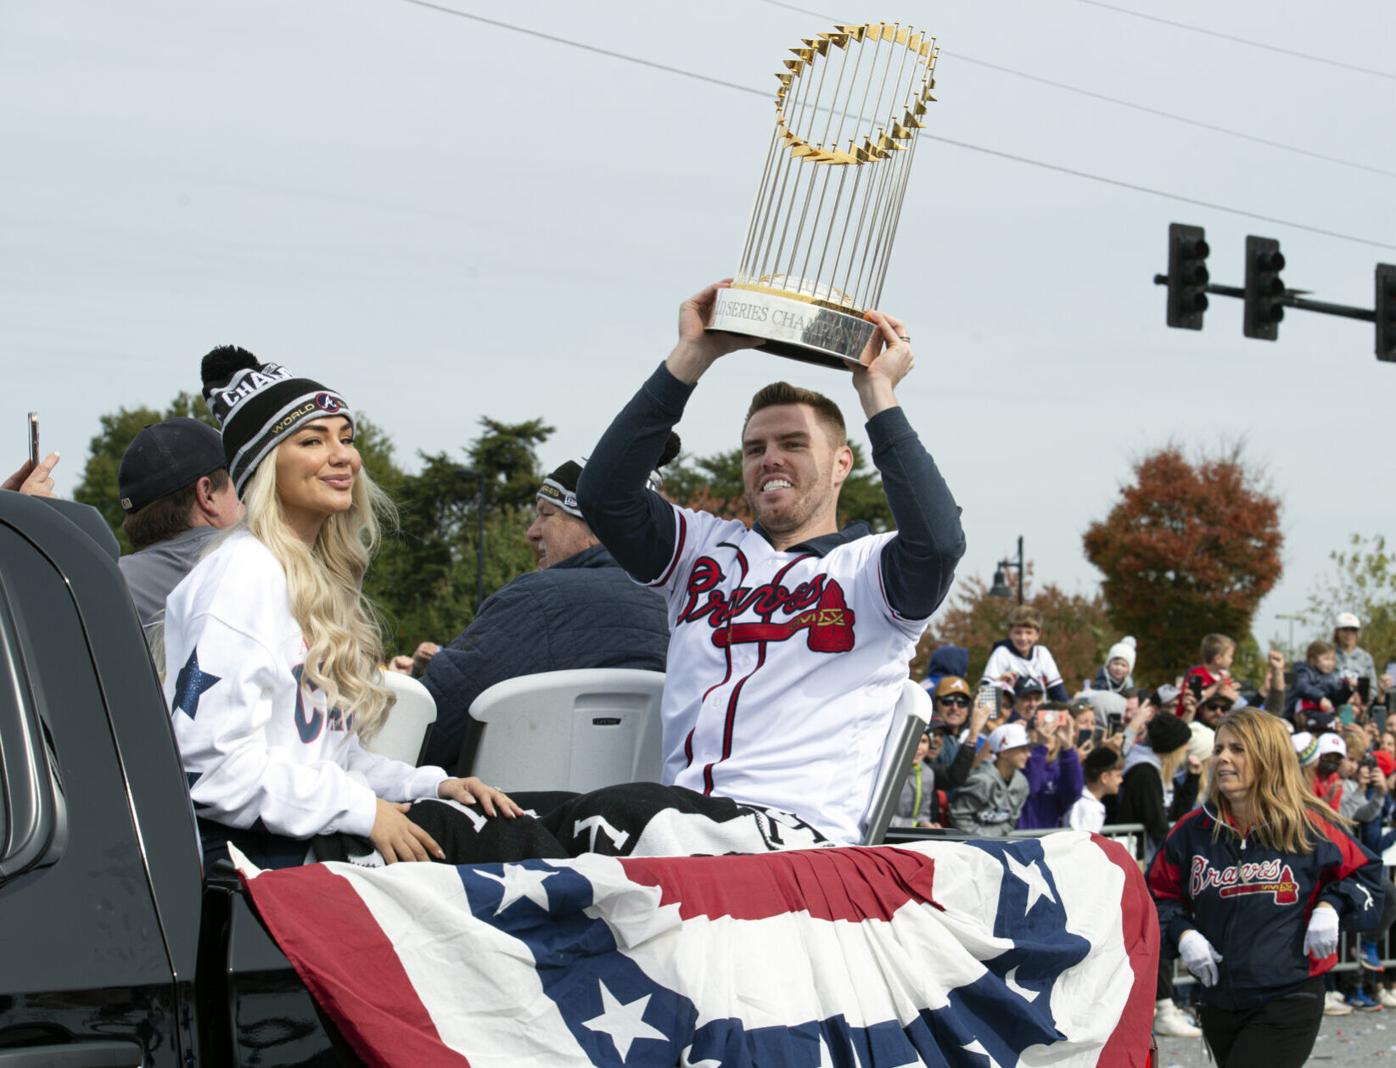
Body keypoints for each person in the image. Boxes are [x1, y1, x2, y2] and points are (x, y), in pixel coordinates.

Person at [573, 282, 965, 846]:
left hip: (796, 838)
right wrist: (694, 355)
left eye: (794, 443)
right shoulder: (702, 549)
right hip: (679, 826)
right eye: (755, 449)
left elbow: (939, 543)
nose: (771, 458)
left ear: (841, 464)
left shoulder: (871, 570)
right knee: (501, 822)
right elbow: (605, 494)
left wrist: (878, 393)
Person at [163, 347, 520, 868]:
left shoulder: (314, 579)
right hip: (255, 869)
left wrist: (432, 784)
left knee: (512, 824)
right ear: (263, 467)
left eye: (346, 439)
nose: (345, 456)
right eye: (313, 440)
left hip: (307, 848)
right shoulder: (243, 573)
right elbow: (208, 768)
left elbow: (329, 761)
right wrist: (363, 811)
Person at [1148, 708, 1385, 1065]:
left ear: (1268, 757)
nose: (1223, 758)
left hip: (1289, 995)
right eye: (1220, 748)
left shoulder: (1309, 828)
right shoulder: (1190, 831)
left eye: (1238, 749)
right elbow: (1156, 897)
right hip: (1217, 999)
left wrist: (1330, 906)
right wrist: (1184, 934)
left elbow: (1368, 877)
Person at [418, 453, 671, 772]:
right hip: (649, 813)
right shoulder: (686, 607)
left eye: (545, 514)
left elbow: (428, 729)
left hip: (523, 814)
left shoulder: (535, 601)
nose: (532, 532)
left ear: (598, 525)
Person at [116, 417, 244, 638]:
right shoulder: (263, 563)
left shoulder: (103, 582)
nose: (246, 497)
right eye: (238, 483)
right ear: (207, 494)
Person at [949, 723, 1031, 835]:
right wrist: (984, 838)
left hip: (997, 844)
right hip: (970, 845)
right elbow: (959, 816)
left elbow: (1012, 820)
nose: (1029, 754)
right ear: (1004, 752)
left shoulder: (1022, 783)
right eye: (1023, 750)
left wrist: (994, 837)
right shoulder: (982, 780)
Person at [979, 606, 1069, 701]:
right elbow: (984, 699)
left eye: (1028, 633)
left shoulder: (1042, 653)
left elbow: (1058, 693)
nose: (1023, 638)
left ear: (1037, 634)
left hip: (1038, 712)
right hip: (1011, 712)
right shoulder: (1002, 653)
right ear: (1010, 633)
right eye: (1018, 632)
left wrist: (1068, 713)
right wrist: (997, 684)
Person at [1016, 705, 1084, 830]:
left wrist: (1068, 747)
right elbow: (1030, 787)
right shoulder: (1018, 764)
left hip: (1049, 844)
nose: (1049, 735)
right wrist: (1041, 747)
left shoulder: (1062, 769)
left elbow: (1074, 792)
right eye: (1042, 728)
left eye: (1055, 730)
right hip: (1020, 842)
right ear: (1030, 733)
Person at [1287, 640, 1347, 732]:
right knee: (1329, 722)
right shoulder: (1303, 671)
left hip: (1320, 713)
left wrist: (1347, 688)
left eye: (1333, 659)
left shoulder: (1331, 678)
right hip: (1301, 714)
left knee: (1342, 723)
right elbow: (1302, 686)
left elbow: (1336, 699)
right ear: (1313, 660)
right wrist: (1320, 698)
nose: (1331, 663)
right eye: (1326, 659)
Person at [1065, 747, 1123, 832]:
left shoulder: (1088, 802)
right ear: (1104, 778)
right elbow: (1085, 840)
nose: (1121, 780)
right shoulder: (1090, 807)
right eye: (1118, 776)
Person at [1178, 633, 1237, 715]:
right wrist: (1216, 686)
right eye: (1230, 656)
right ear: (1218, 659)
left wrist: (1232, 696)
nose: (1232, 660)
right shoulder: (1196, 674)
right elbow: (1195, 700)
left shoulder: (1223, 676)